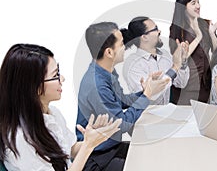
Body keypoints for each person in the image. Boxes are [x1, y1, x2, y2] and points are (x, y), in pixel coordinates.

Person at [0, 43, 121, 171]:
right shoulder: (20, 138)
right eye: (55, 75)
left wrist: (93, 138)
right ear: (34, 87)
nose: (62, 79)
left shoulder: (52, 114)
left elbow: (70, 149)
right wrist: (88, 146)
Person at [76, 22, 169, 171]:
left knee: (153, 152)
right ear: (109, 52)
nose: (125, 46)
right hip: (97, 158)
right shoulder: (97, 85)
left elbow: (120, 101)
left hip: (109, 147)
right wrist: (146, 95)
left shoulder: (105, 72)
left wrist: (144, 91)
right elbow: (122, 124)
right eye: (121, 44)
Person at [169, 0, 217, 105]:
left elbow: (216, 51)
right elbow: (179, 57)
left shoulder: (205, 23)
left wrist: (212, 33)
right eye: (193, 3)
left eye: (198, 2)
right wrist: (198, 36)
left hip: (205, 84)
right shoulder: (177, 28)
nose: (198, 6)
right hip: (185, 87)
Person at [121, 16, 190, 105]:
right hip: (146, 116)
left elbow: (181, 83)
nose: (159, 31)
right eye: (155, 29)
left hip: (165, 112)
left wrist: (183, 61)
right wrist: (175, 67)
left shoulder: (164, 54)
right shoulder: (132, 64)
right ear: (144, 37)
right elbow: (151, 96)